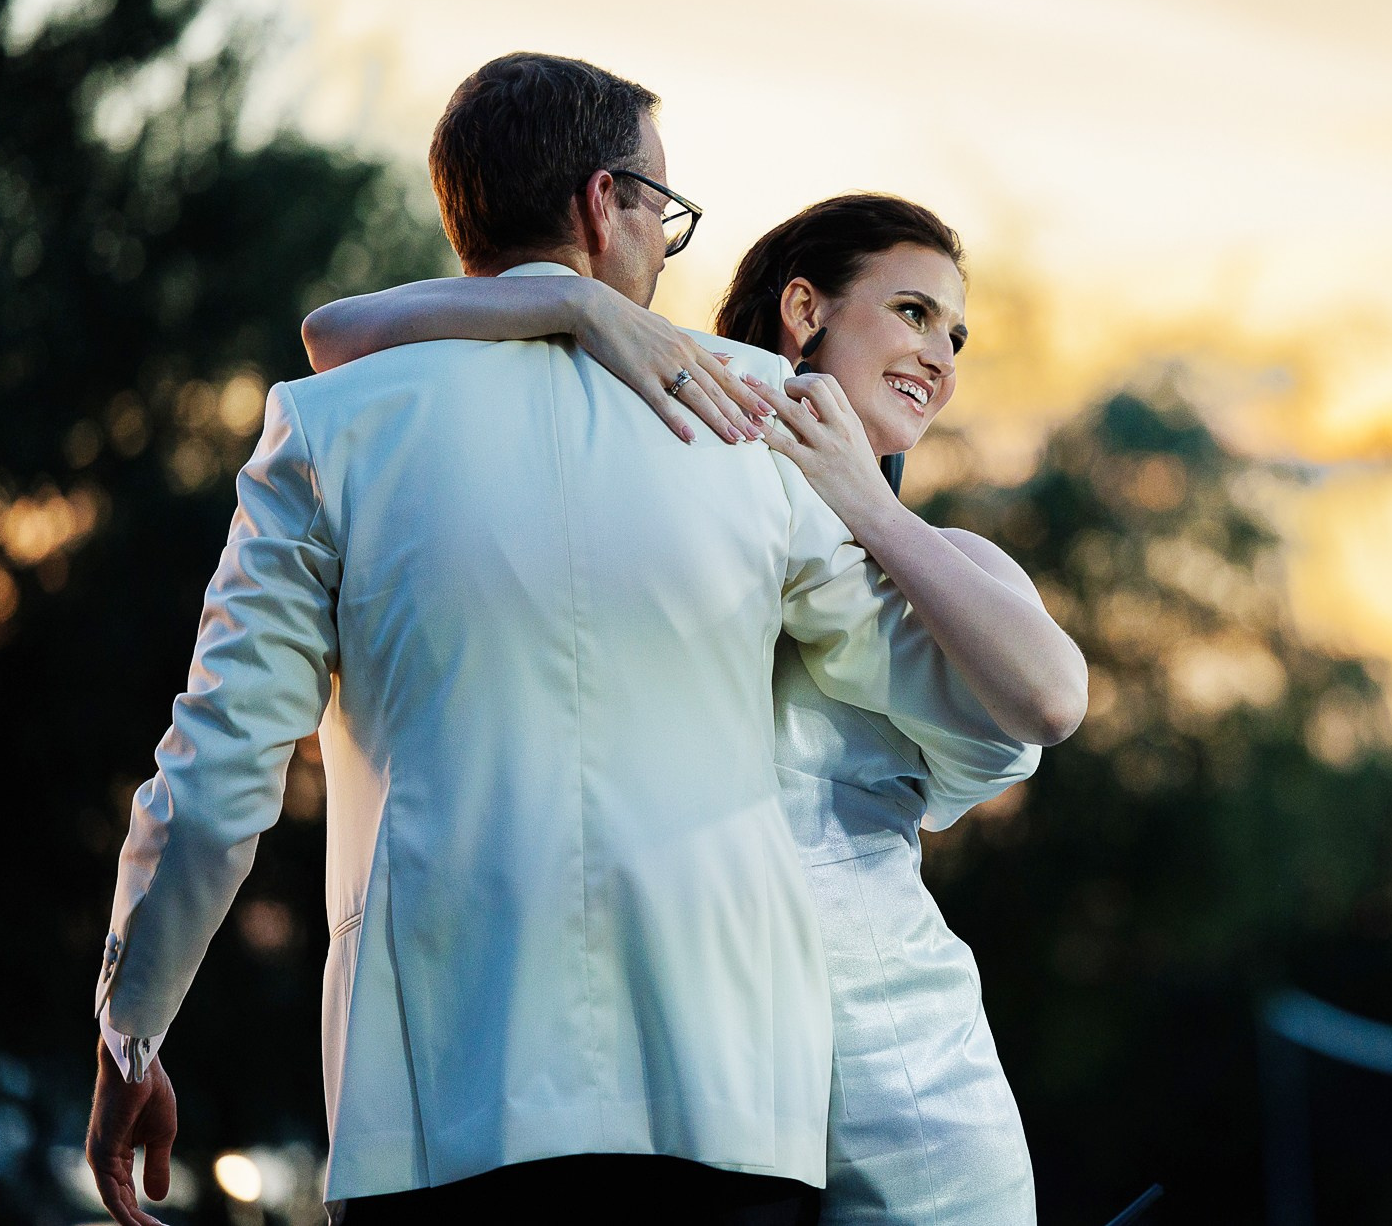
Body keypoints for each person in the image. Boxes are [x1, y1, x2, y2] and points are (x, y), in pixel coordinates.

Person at [84, 52, 1066, 1226]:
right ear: (606, 204)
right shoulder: (748, 418)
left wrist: (130, 1030)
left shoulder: (328, 427)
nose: (664, 251)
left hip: (439, 1104)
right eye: (663, 212)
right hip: (732, 1107)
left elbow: (217, 775)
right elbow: (963, 691)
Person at [298, 194, 1088, 1222]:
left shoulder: (937, 568)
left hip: (894, 1068)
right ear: (803, 307)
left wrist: (867, 502)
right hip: (709, 1073)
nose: (939, 354)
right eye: (909, 312)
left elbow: (1053, 696)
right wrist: (579, 309)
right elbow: (332, 335)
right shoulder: (683, 472)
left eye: (954, 333)